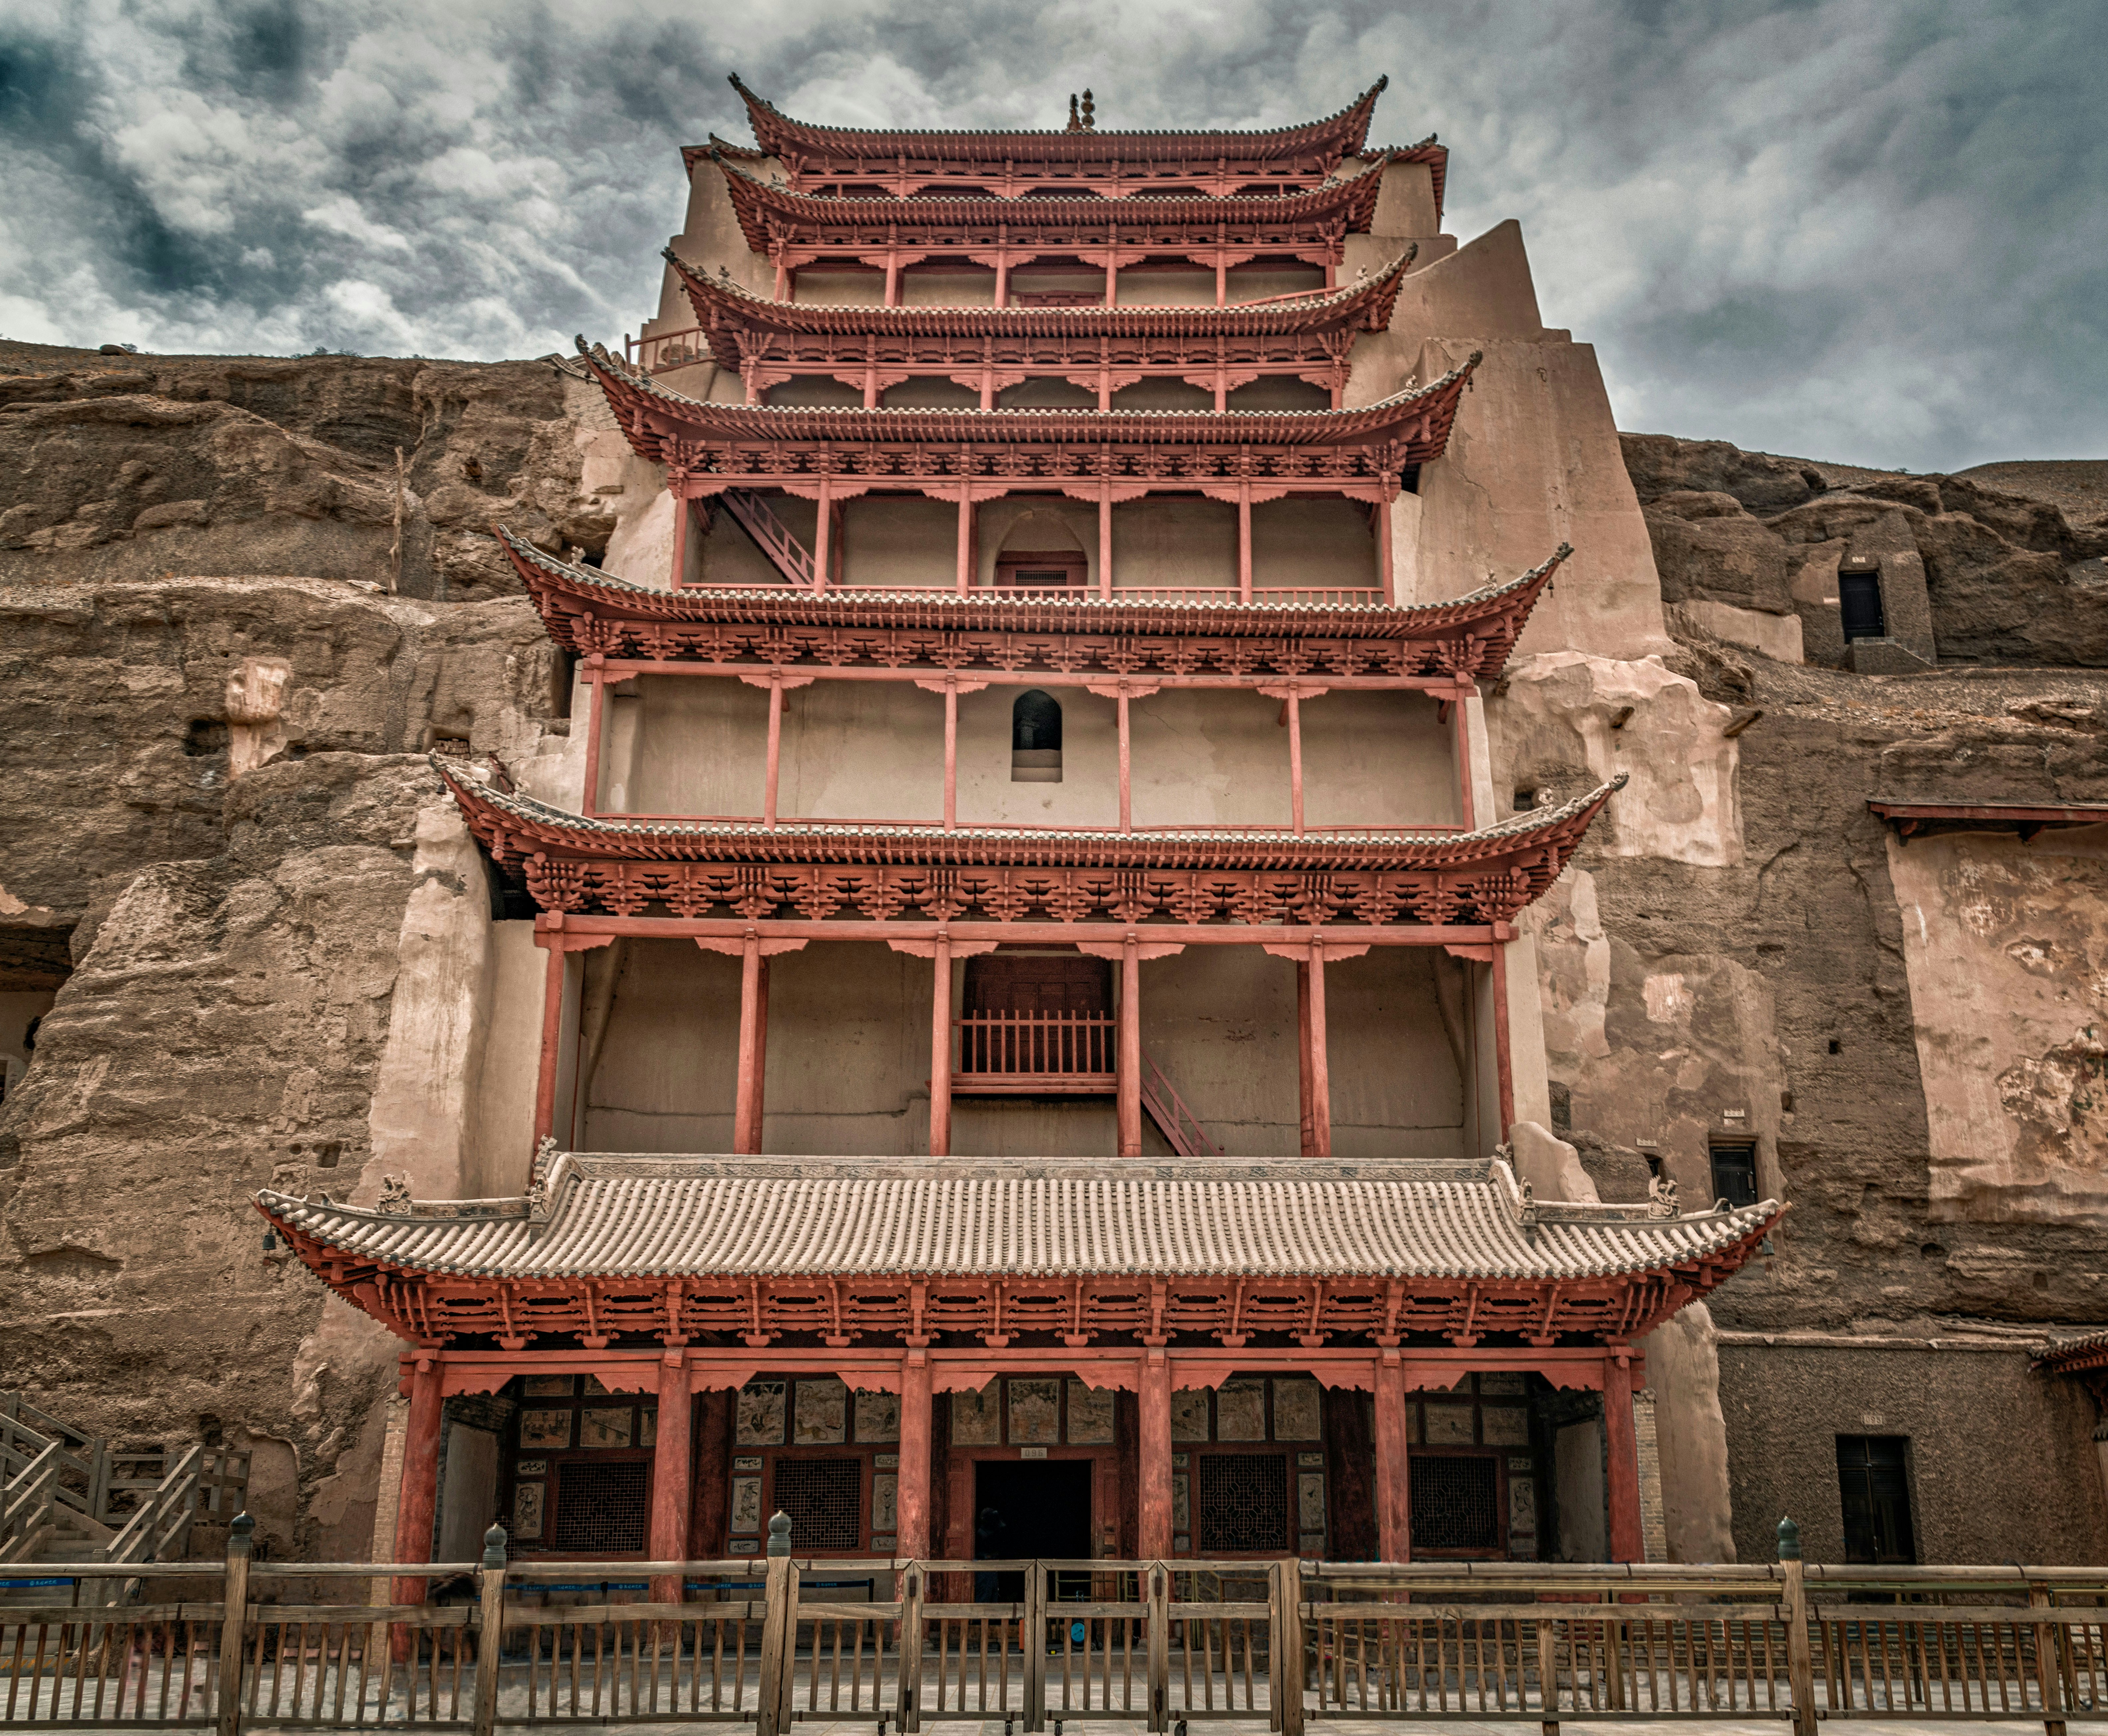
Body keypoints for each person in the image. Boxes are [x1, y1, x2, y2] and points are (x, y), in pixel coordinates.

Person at [974, 1505, 1007, 1603]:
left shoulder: (991, 1533)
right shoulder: (982, 1534)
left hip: (992, 1573)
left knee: (993, 1604)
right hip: (984, 1573)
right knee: (983, 1603)